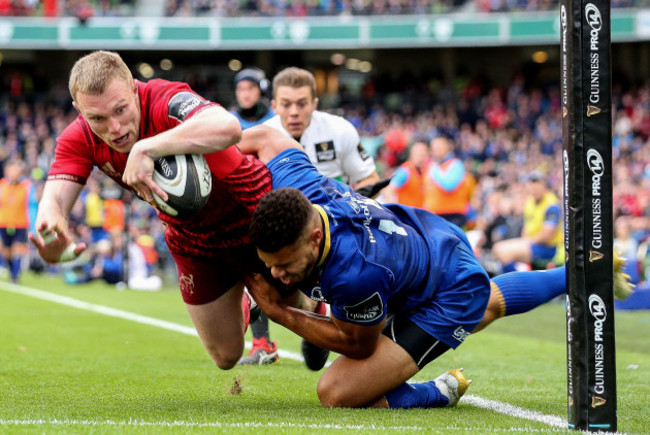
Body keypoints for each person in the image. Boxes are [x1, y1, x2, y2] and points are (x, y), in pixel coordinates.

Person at [236, 127, 632, 409]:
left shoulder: (356, 271)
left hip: (445, 290)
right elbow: (268, 139)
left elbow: (358, 343)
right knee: (488, 304)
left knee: (338, 391)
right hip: (428, 236)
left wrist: (279, 313)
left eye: (286, 266)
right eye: (272, 266)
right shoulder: (300, 191)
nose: (278, 276)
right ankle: (584, 271)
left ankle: (437, 392)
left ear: (315, 240)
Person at [28, 51, 316, 371]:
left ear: (134, 89)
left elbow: (227, 127)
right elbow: (54, 197)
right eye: (98, 119)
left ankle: (312, 304)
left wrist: (147, 147)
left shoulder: (165, 98)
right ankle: (242, 292)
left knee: (296, 306)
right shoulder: (77, 138)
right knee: (225, 356)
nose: (115, 127)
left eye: (121, 110)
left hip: (253, 214)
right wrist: (50, 229)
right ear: (79, 110)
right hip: (192, 238)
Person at [243, 66, 384, 368]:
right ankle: (263, 341)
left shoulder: (340, 130)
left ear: (315, 104)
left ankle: (329, 318)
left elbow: (368, 180)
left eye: (302, 103)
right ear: (274, 106)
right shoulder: (263, 136)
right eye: (286, 104)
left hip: (336, 232)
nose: (294, 111)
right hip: (285, 232)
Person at [229, 66, 280, 365]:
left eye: (250, 89)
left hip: (276, 200)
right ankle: (262, 342)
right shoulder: (227, 120)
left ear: (261, 90)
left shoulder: (276, 120)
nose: (245, 94)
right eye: (240, 90)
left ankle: (321, 320)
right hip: (241, 205)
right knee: (252, 271)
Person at [492, 170, 562, 273]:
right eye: (532, 184)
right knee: (498, 248)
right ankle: (518, 279)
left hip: (549, 248)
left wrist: (526, 241)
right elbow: (526, 227)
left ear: (544, 185)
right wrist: (524, 240)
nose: (534, 187)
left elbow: (546, 236)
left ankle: (518, 284)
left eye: (537, 184)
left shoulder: (551, 205)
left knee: (502, 251)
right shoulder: (530, 202)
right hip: (533, 244)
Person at [422, 135, 475, 229]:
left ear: (447, 147)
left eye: (439, 147)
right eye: (434, 148)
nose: (436, 150)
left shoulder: (455, 164)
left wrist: (435, 169)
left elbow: (449, 185)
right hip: (434, 215)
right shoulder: (431, 167)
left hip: (453, 215)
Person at [0, 158, 36, 283]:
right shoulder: (2, 184)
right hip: (4, 222)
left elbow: (31, 204)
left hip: (20, 223)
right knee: (6, 251)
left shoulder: (26, 186)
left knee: (17, 248)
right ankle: (11, 271)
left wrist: (32, 223)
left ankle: (15, 276)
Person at [382, 140, 429, 208]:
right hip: (406, 214)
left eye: (423, 153)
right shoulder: (405, 171)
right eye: (419, 153)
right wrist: (392, 209)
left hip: (418, 214)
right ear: (412, 154)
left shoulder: (424, 171)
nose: (421, 156)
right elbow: (388, 189)